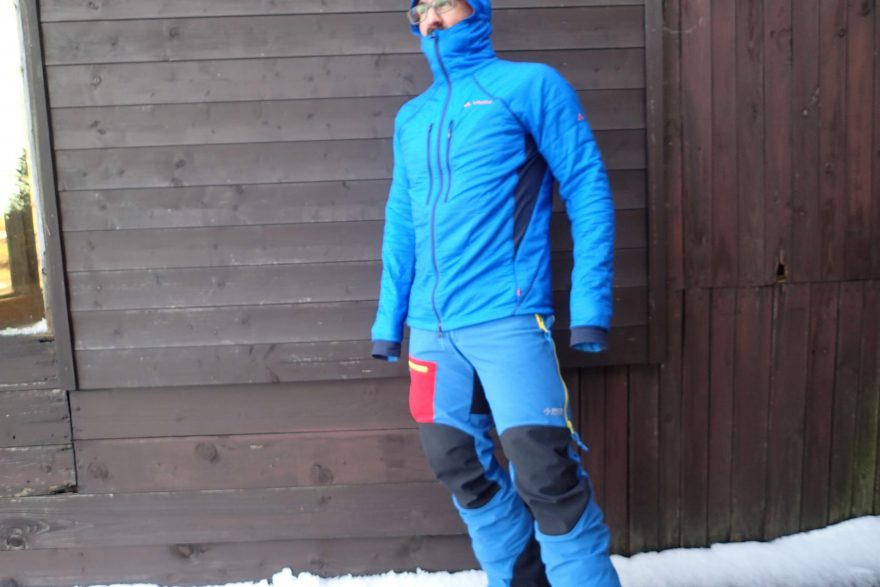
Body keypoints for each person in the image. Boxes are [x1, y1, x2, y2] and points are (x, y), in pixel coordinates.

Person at [370, 0, 621, 585]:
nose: (432, 19)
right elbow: (401, 223)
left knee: (546, 476)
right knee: (458, 466)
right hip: (432, 332)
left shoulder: (529, 86)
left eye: (445, 4)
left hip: (508, 319)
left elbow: (587, 187)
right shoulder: (412, 116)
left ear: (476, 8)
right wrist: (389, 322)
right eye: (421, 9)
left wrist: (590, 306)